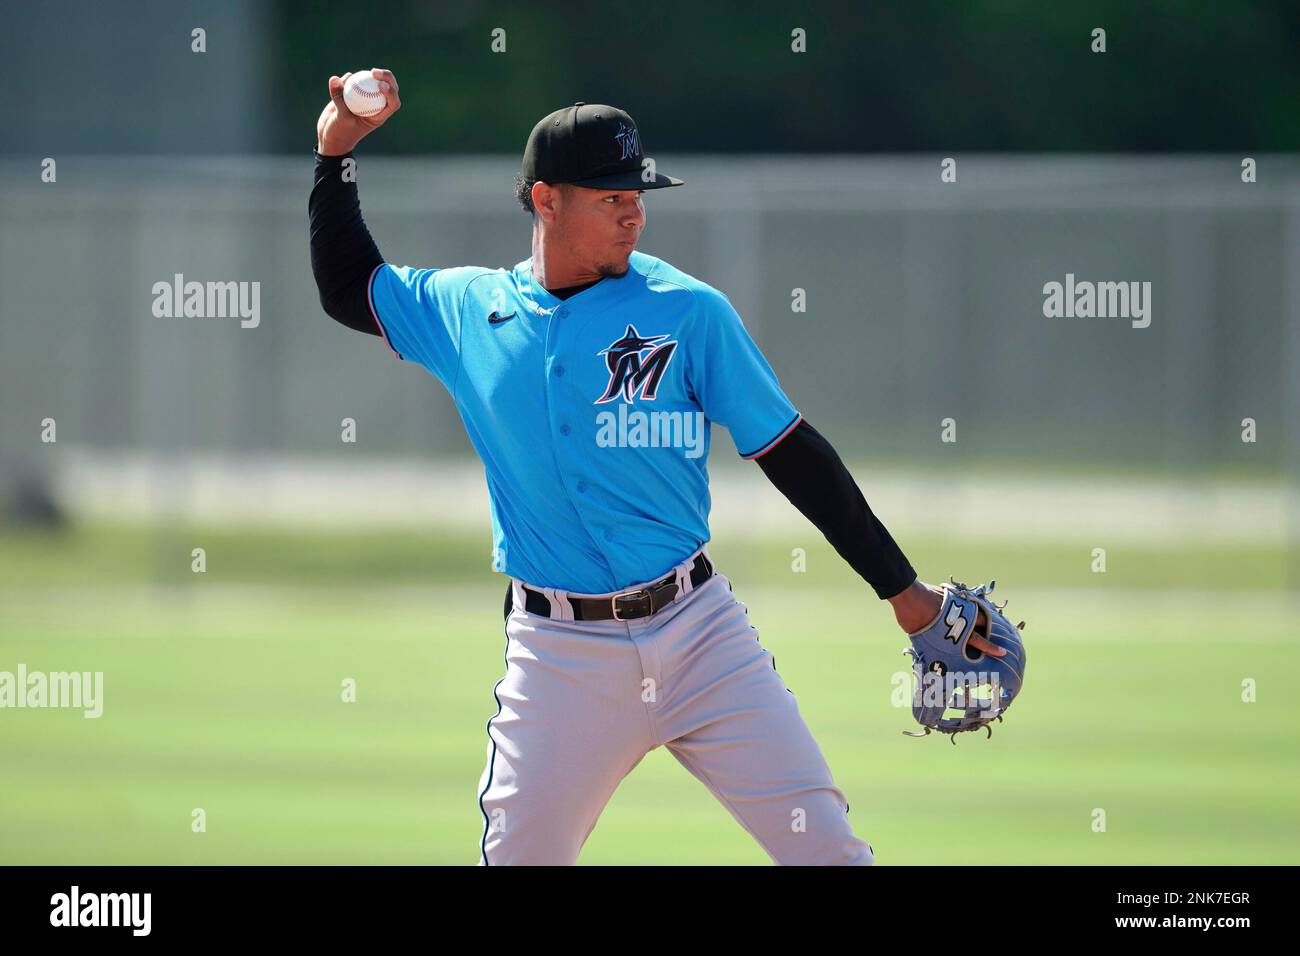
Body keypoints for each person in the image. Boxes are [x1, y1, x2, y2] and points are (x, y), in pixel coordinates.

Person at [309, 69, 999, 865]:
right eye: (609, 195)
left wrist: (903, 592)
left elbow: (792, 454)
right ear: (545, 200)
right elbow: (348, 287)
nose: (633, 209)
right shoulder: (471, 311)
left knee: (830, 853)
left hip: (701, 633)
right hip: (559, 655)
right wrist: (337, 153)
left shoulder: (689, 309)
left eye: (638, 192)